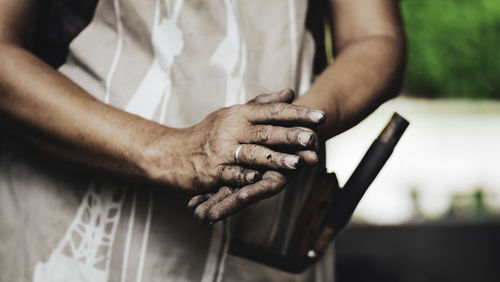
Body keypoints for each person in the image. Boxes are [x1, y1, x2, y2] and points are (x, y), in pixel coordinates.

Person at [0, 0, 406, 281]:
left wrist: (290, 128)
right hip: (79, 224)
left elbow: (375, 37)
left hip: (270, 237)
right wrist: (167, 149)